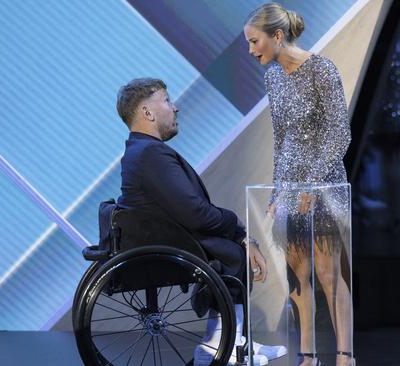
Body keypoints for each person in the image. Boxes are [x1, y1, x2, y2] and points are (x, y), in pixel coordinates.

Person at [115, 78, 287, 366]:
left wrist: (240, 234)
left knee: (233, 249)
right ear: (147, 112)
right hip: (167, 244)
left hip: (168, 237)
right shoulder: (150, 154)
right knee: (232, 254)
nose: (176, 107)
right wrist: (237, 228)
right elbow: (194, 213)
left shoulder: (143, 152)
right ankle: (220, 342)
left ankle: (231, 340)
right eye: (167, 100)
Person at [244, 3, 354, 366]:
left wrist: (313, 185)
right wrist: (278, 193)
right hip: (290, 186)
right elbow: (281, 140)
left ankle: (344, 356)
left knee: (328, 273)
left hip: (323, 183)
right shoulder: (272, 77)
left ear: (277, 36)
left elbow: (340, 134)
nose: (251, 50)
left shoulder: (322, 70)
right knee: (298, 275)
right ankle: (307, 356)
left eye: (254, 41)